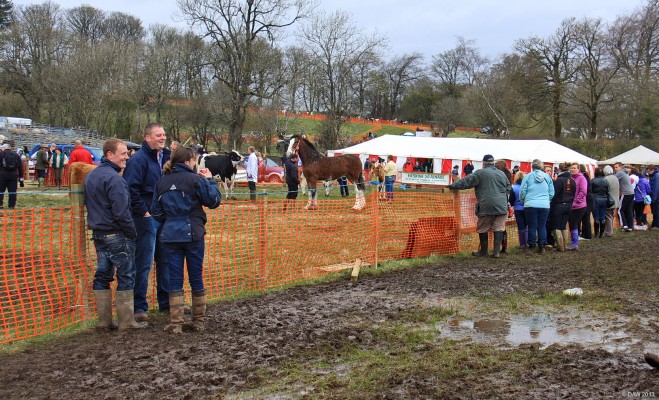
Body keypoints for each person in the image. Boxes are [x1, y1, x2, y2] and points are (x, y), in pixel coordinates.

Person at [151, 147, 221, 333]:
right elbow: (213, 201)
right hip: (193, 233)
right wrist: (210, 181)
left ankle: (176, 323)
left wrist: (171, 221)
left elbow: (156, 212)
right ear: (190, 161)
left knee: (175, 279)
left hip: (171, 235)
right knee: (195, 276)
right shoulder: (196, 180)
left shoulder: (162, 182)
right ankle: (198, 320)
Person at [84, 138, 144, 330]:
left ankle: (104, 321)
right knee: (126, 275)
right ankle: (127, 321)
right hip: (117, 234)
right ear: (110, 154)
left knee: (102, 276)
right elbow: (121, 211)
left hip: (99, 234)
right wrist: (132, 232)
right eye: (123, 154)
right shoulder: (116, 179)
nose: (127, 157)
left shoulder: (92, 176)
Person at [122, 123, 171, 321]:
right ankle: (139, 306)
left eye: (164, 134)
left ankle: (166, 302)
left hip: (162, 216)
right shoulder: (139, 160)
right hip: (146, 219)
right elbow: (130, 189)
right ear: (147, 138)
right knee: (143, 263)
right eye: (158, 135)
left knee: (165, 260)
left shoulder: (165, 159)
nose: (162, 138)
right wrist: (143, 212)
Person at [447, 154, 510, 258]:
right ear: (493, 162)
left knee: (483, 228)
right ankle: (496, 252)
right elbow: (508, 188)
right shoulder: (502, 174)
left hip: (486, 204)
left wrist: (453, 185)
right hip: (501, 205)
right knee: (499, 228)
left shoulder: (480, 173)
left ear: (484, 163)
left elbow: (466, 182)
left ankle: (484, 252)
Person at [519, 159, 554, 253]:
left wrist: (523, 200)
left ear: (532, 166)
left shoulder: (527, 177)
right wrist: (547, 200)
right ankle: (542, 245)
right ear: (542, 167)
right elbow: (551, 192)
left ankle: (532, 246)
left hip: (530, 204)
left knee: (531, 226)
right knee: (542, 226)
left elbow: (522, 191)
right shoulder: (547, 177)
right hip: (545, 205)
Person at [549, 162, 575, 251]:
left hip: (558, 206)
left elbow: (554, 194)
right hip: (569, 206)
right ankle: (565, 245)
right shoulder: (572, 180)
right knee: (563, 226)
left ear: (559, 170)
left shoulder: (559, 180)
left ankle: (560, 247)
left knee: (556, 226)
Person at [567, 163, 588, 250]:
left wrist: (576, 201)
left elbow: (583, 191)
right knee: (572, 224)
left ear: (578, 169)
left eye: (574, 168)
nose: (573, 170)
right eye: (571, 168)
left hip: (580, 206)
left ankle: (575, 243)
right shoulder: (570, 178)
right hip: (571, 205)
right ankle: (574, 241)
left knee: (574, 223)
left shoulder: (582, 178)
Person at [494, 160, 513, 253]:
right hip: (504, 203)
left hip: (494, 201)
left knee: (491, 225)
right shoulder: (508, 175)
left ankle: (493, 248)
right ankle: (504, 247)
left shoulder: (496, 175)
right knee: (502, 226)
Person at [0, 143, 25, 209]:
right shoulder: (16, 155)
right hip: (13, 175)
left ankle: (0, 204)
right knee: (12, 191)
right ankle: (11, 205)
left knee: (1, 190)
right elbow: (20, 167)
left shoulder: (1, 154)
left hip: (2, 175)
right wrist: (21, 177)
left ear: (3, 148)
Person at [590, 167, 610, 238]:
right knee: (602, 217)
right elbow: (608, 191)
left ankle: (596, 233)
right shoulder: (606, 181)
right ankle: (601, 233)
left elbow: (590, 192)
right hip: (604, 200)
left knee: (596, 217)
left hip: (595, 200)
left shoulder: (592, 181)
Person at [614, 162, 634, 232]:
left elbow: (613, 179)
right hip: (631, 193)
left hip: (626, 193)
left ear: (620, 167)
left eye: (616, 167)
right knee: (629, 210)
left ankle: (624, 225)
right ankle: (630, 226)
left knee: (620, 210)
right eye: (614, 167)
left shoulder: (620, 173)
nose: (615, 169)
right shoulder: (625, 172)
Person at [510, 171, 527, 249]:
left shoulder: (513, 188)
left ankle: (522, 244)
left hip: (518, 209)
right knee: (527, 226)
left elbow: (511, 201)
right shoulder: (527, 187)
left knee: (521, 227)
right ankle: (529, 242)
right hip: (527, 208)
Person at [603, 165, 620, 236]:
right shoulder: (615, 178)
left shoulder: (605, 179)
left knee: (608, 216)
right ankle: (610, 230)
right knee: (611, 215)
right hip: (615, 200)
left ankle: (609, 231)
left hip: (609, 200)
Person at [578, 164, 594, 240]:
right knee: (586, 218)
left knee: (584, 218)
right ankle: (586, 234)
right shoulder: (587, 176)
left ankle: (586, 235)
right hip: (589, 198)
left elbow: (584, 190)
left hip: (586, 199)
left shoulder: (582, 177)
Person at [647, 165, 659, 230]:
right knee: (654, 211)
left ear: (653, 170)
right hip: (654, 196)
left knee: (656, 211)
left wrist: (654, 198)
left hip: (656, 197)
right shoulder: (652, 176)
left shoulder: (656, 176)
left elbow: (656, 188)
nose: (648, 173)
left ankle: (657, 225)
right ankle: (654, 224)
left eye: (649, 171)